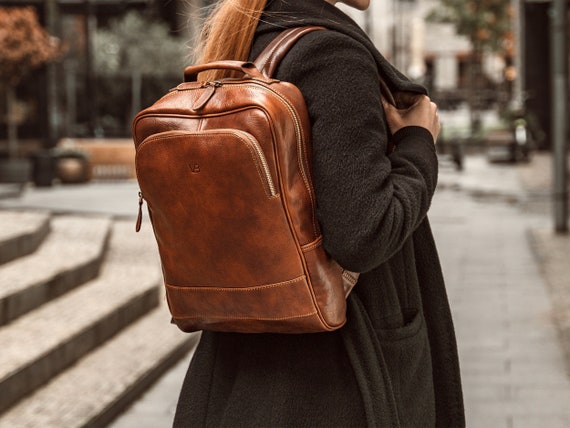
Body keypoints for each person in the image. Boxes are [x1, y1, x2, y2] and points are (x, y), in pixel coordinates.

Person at [174, 0, 465, 426]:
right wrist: (419, 141)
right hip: (336, 378)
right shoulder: (331, 56)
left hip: (243, 366)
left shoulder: (250, 41)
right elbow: (365, 232)